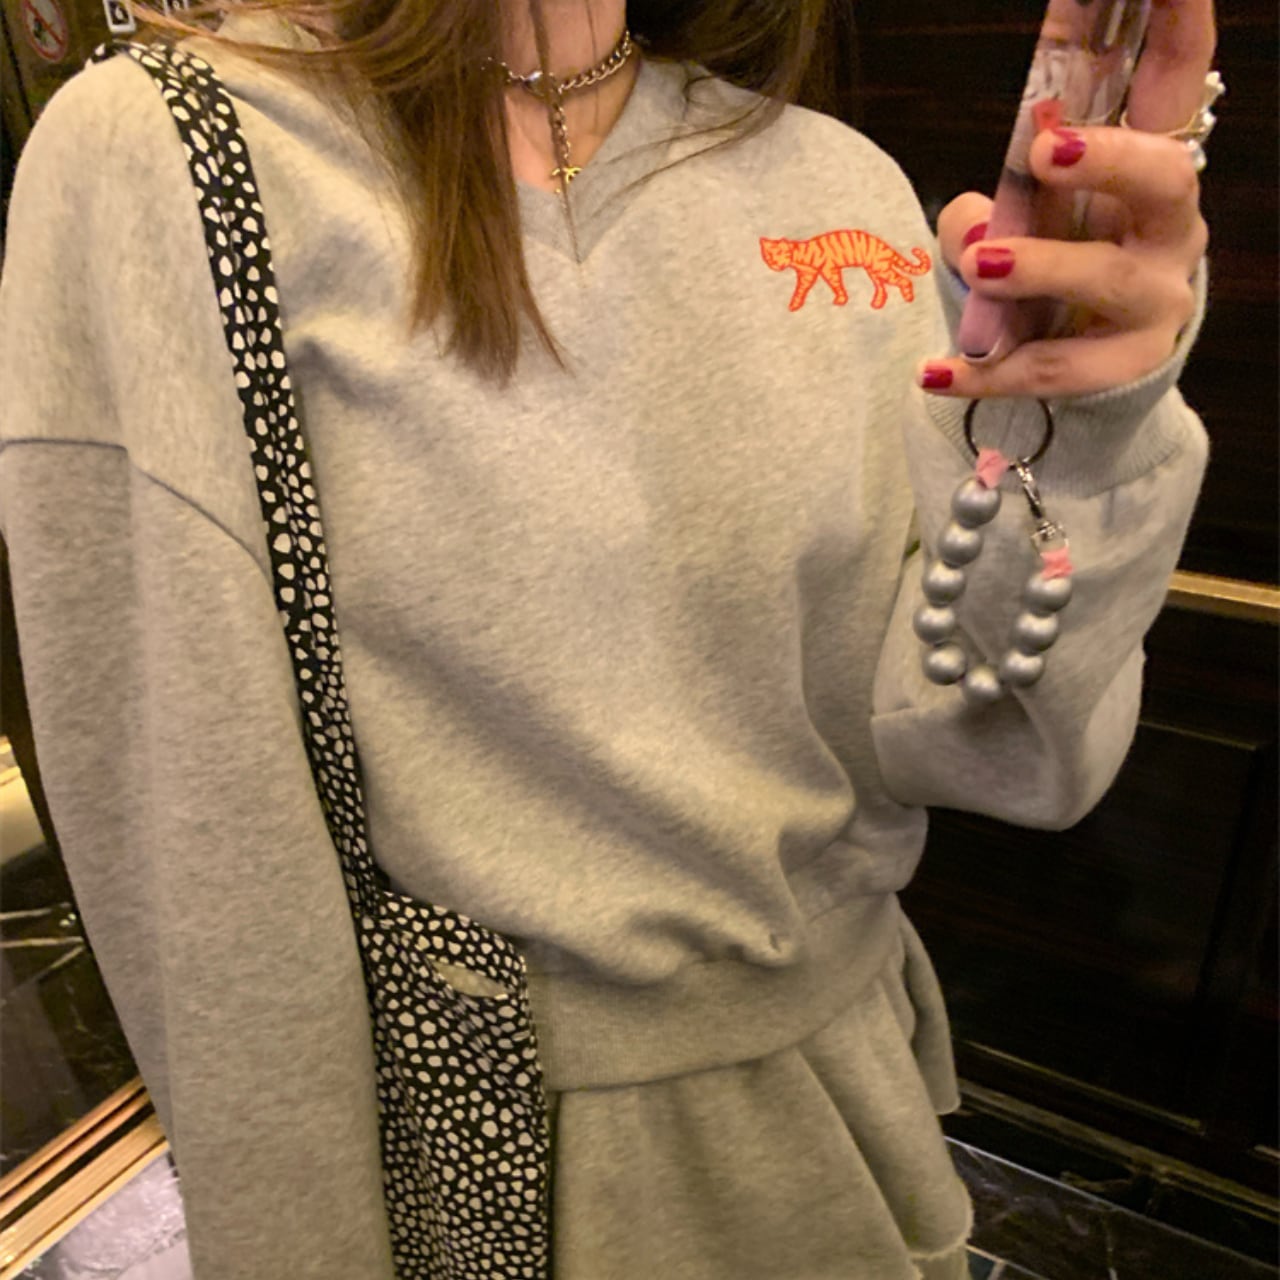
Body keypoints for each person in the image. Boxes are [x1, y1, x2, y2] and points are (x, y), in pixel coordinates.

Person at [0, 0, 1214, 1276]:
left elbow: (992, 752)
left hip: (854, 1125)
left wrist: (1079, 435)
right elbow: (211, 891)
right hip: (506, 1180)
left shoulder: (833, 178)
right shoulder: (179, 151)